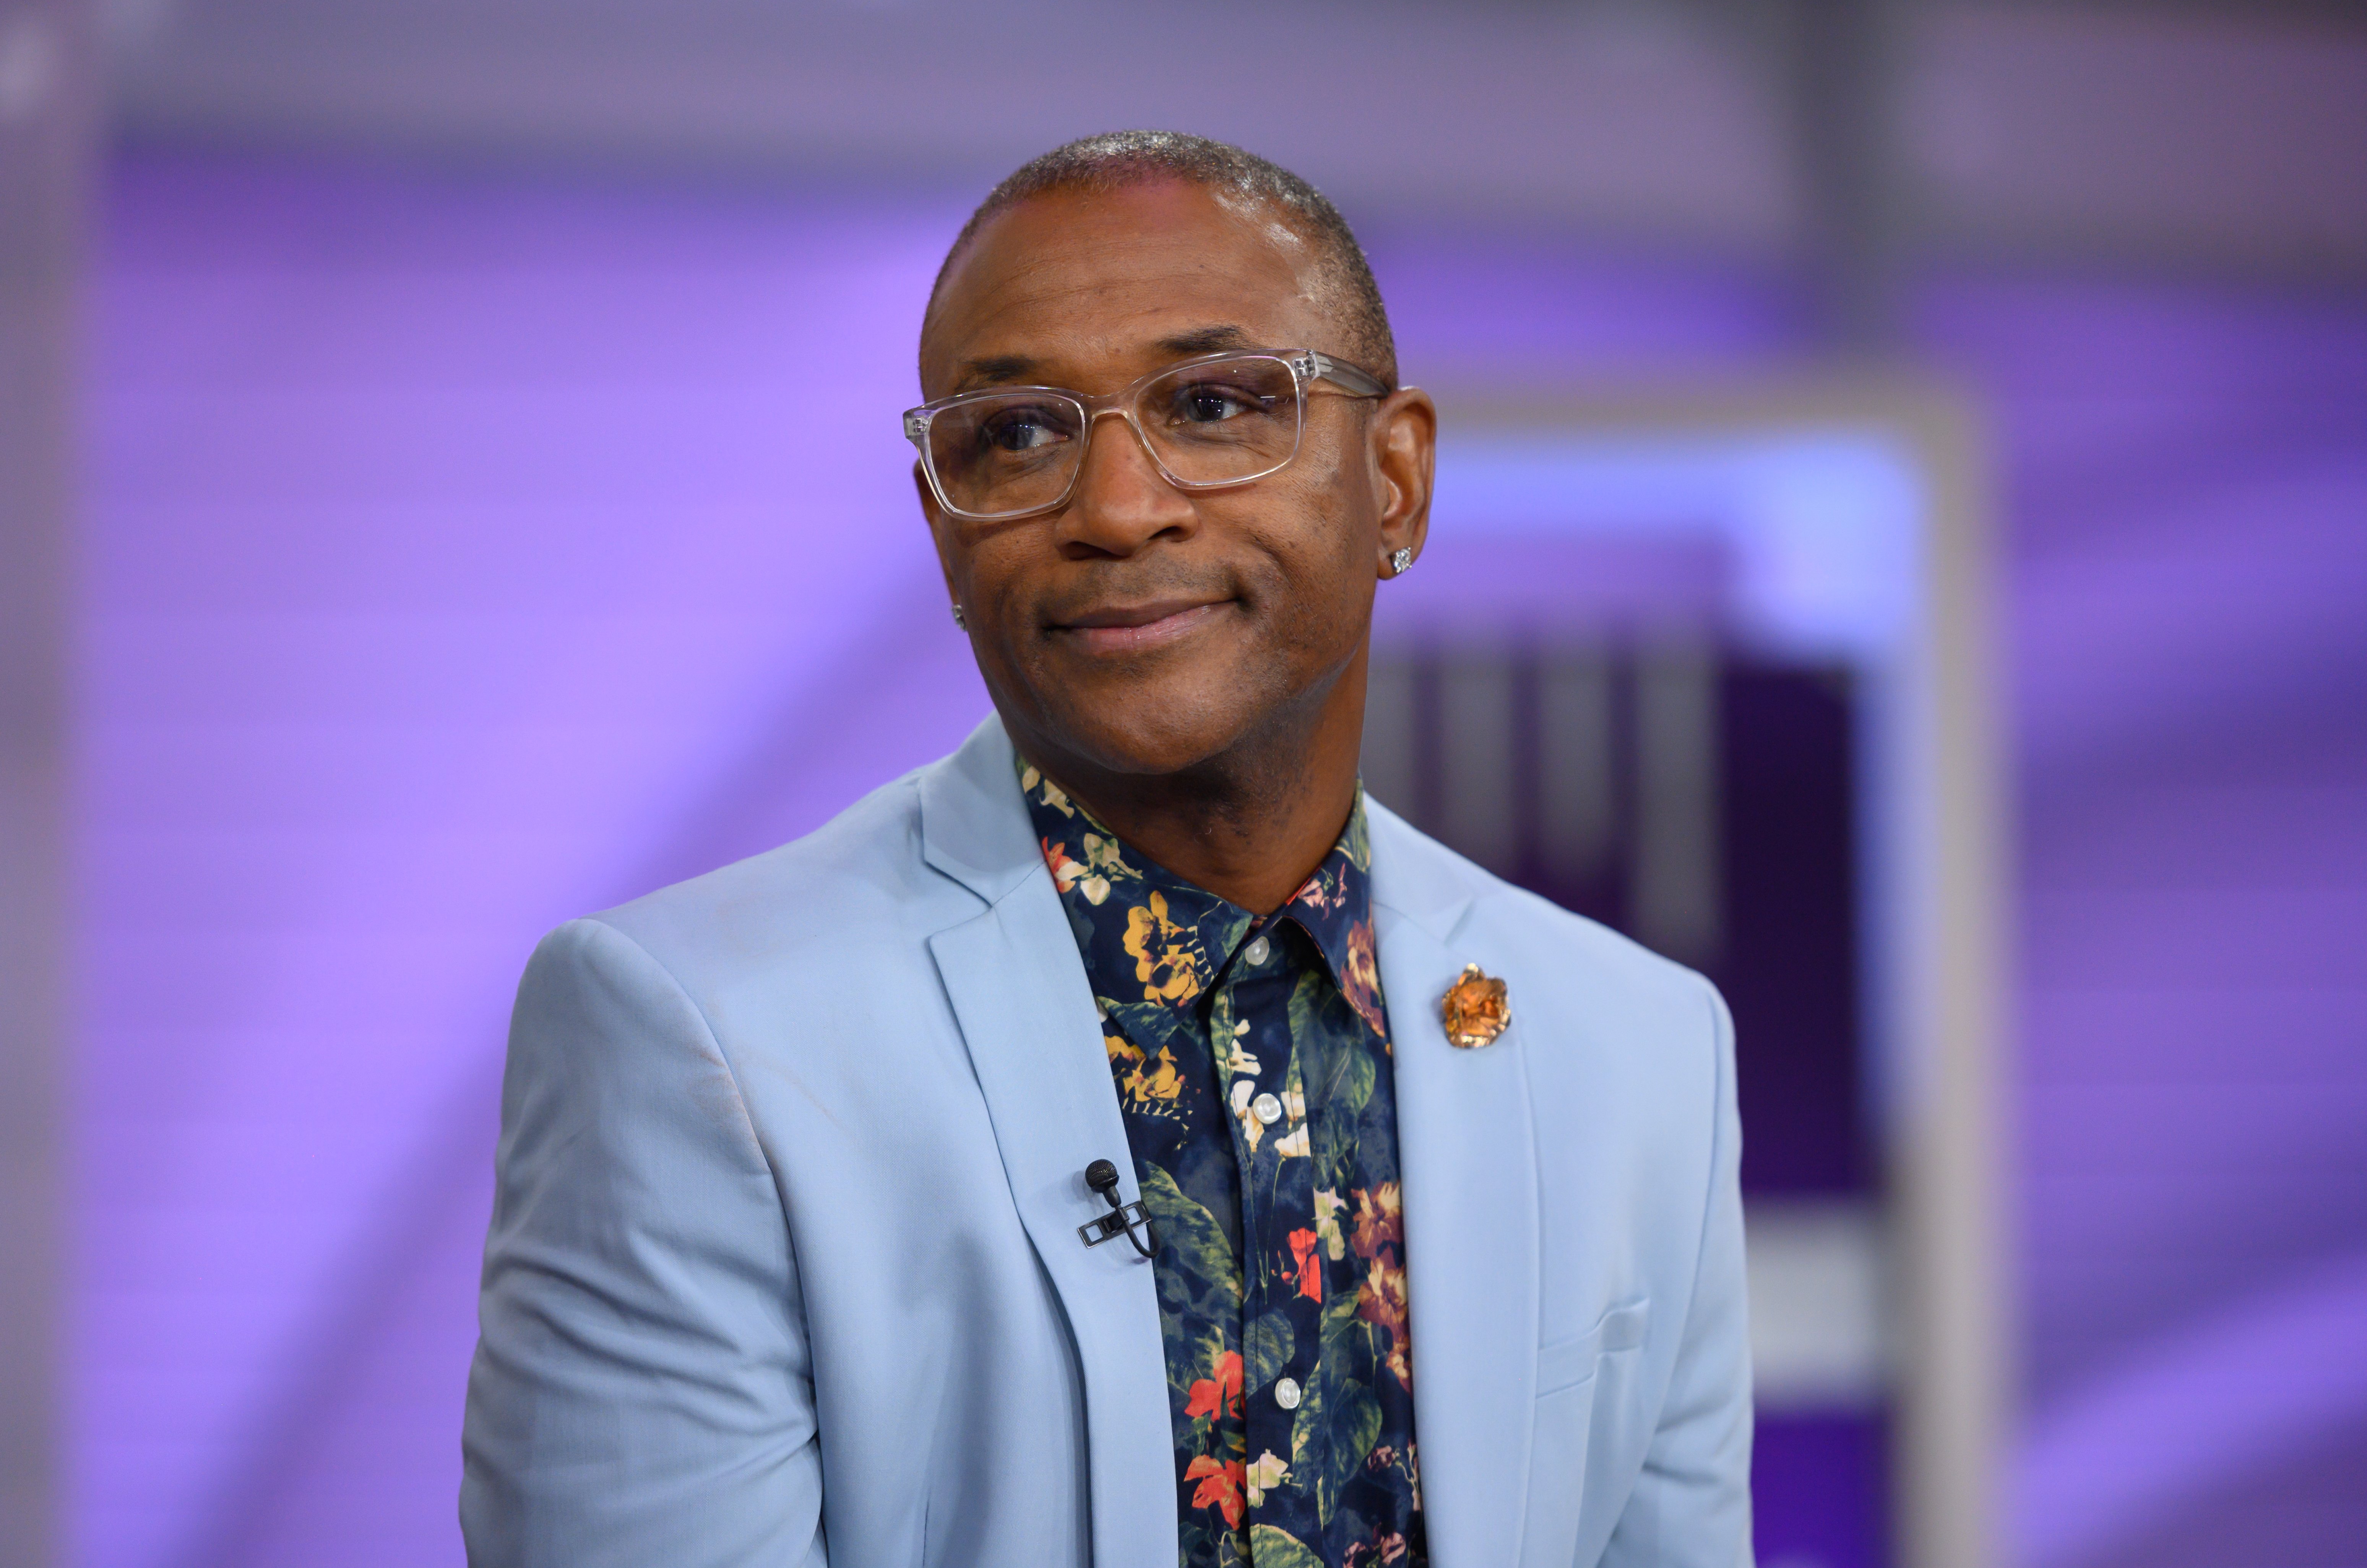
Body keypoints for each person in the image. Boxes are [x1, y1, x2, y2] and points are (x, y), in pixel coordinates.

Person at [461, 131, 1750, 1568]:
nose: (1118, 510)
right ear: (946, 536)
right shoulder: (692, 1035)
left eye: (1212, 405)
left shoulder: (1641, 1048)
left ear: (1395, 482)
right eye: (1015, 434)